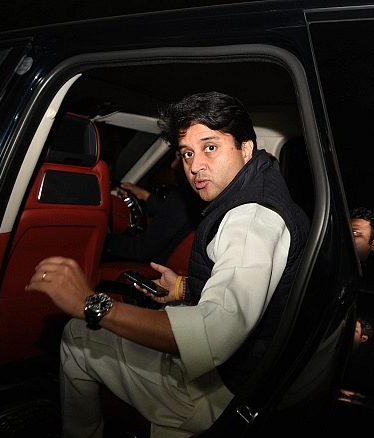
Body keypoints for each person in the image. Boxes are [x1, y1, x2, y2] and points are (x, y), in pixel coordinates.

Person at [26, 91, 310, 437]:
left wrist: (92, 304)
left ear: (246, 148)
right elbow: (256, 290)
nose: (194, 165)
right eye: (187, 153)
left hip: (222, 394)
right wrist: (184, 288)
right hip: (255, 378)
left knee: (76, 335)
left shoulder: (249, 219)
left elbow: (212, 336)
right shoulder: (263, 188)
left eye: (210, 147)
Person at [104, 150, 206, 264]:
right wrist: (144, 195)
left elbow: (141, 250)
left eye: (180, 157)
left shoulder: (182, 198)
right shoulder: (195, 197)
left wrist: (103, 239)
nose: (173, 165)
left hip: (153, 268)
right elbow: (171, 215)